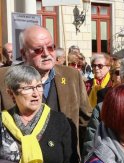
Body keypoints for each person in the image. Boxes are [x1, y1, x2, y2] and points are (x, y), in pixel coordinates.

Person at [0, 25, 92, 155]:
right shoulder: (3, 78)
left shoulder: (72, 76)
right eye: (38, 50)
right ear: (23, 53)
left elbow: (86, 121)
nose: (46, 54)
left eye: (50, 47)